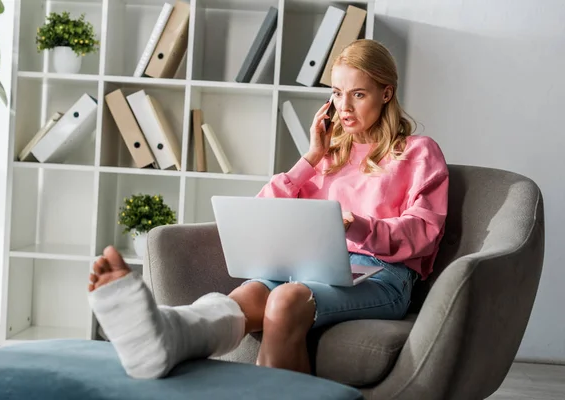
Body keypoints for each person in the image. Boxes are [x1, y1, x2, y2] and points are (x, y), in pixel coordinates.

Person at [87, 39, 449, 380]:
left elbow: (424, 233)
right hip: (313, 268)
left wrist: (358, 228)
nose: (344, 108)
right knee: (242, 299)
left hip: (383, 276)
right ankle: (163, 337)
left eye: (358, 94)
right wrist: (310, 158)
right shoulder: (330, 156)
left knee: (286, 299)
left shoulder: (417, 152)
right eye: (337, 94)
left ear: (386, 93)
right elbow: (263, 210)